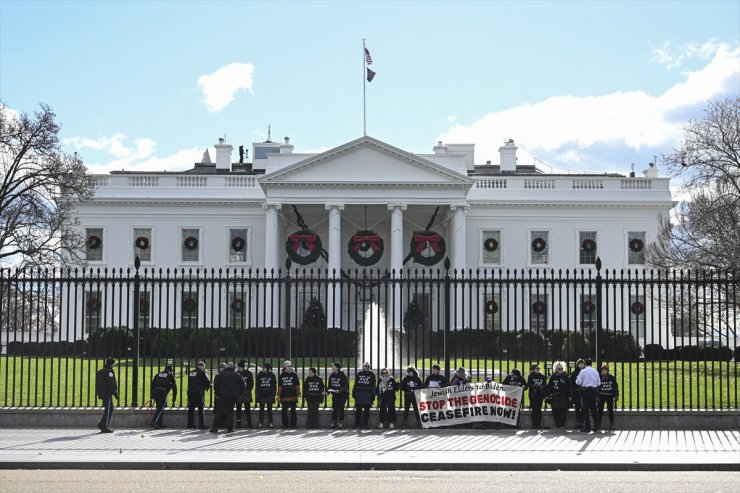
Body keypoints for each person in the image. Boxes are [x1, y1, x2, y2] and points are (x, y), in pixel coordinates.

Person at [210, 362, 245, 433]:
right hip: (233, 396)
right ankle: (229, 428)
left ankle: (215, 428)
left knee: (219, 411)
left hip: (222, 395)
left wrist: (217, 393)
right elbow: (243, 386)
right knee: (230, 412)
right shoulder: (237, 375)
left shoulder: (220, 375)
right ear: (233, 368)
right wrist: (238, 394)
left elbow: (216, 386)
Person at [575, 357, 601, 432]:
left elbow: (578, 382)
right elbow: (599, 383)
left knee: (585, 410)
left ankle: (587, 427)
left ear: (585, 364)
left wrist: (577, 380)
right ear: (591, 364)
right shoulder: (595, 371)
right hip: (593, 391)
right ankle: (596, 425)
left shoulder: (583, 371)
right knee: (593, 409)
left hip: (585, 392)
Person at [150, 364, 177, 429]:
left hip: (155, 391)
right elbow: (174, 389)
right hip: (162, 392)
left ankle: (159, 424)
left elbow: (152, 384)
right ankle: (154, 421)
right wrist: (173, 400)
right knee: (161, 408)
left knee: (160, 407)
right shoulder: (171, 376)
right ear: (171, 370)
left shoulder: (158, 374)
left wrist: (152, 394)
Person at [95, 357, 118, 433]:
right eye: (114, 363)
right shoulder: (109, 372)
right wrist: (115, 393)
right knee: (109, 410)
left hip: (102, 393)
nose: (114, 365)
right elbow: (110, 384)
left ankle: (102, 424)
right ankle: (104, 426)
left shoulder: (101, 371)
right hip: (107, 393)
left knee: (109, 409)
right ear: (112, 364)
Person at [546, 361, 571, 429]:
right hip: (555, 396)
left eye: (561, 369)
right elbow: (549, 386)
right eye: (559, 369)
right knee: (555, 411)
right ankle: (557, 424)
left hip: (563, 396)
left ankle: (562, 424)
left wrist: (570, 396)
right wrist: (548, 394)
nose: (560, 370)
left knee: (563, 411)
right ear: (555, 369)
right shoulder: (552, 377)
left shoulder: (566, 377)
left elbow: (569, 387)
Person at [186, 361, 211, 429]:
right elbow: (207, 382)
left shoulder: (191, 372)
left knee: (191, 409)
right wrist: (206, 388)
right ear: (202, 367)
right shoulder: (202, 372)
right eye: (204, 367)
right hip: (198, 393)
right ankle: (202, 425)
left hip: (190, 392)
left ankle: (190, 424)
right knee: (201, 409)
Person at [352, 362, 376, 428]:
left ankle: (365, 424)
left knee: (367, 410)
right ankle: (357, 424)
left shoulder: (372, 374)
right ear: (363, 366)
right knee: (358, 410)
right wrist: (354, 392)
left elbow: (373, 385)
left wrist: (373, 394)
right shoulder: (359, 374)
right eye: (366, 366)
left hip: (368, 393)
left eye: (368, 366)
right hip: (359, 393)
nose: (367, 367)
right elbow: (356, 383)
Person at [277, 360, 300, 428]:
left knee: (293, 411)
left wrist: (298, 393)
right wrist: (278, 395)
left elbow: (297, 385)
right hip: (284, 396)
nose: (290, 367)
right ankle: (285, 425)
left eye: (290, 366)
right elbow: (280, 387)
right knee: (284, 411)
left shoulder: (294, 375)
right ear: (284, 367)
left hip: (293, 395)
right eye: (288, 366)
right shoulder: (281, 376)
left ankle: (293, 424)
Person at [325, 362, 349, 428]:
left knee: (341, 408)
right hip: (335, 395)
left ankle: (340, 422)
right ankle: (333, 422)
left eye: (333, 366)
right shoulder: (332, 375)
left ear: (337, 368)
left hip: (342, 395)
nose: (332, 368)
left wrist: (339, 390)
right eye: (332, 366)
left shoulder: (342, 375)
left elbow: (346, 386)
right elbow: (329, 385)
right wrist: (327, 392)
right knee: (334, 408)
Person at [596, 364, 619, 430]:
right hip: (601, 396)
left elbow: (615, 387)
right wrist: (596, 395)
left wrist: (616, 395)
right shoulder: (599, 377)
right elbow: (597, 387)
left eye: (605, 369)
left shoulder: (612, 377)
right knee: (599, 411)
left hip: (609, 396)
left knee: (610, 411)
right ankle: (598, 424)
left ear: (607, 370)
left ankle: (611, 424)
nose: (604, 370)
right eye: (603, 369)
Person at [255, 362, 277, 427]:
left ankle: (270, 423)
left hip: (269, 394)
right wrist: (257, 394)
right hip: (261, 394)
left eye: (264, 367)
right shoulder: (259, 375)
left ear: (267, 368)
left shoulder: (272, 375)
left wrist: (273, 394)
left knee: (269, 410)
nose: (262, 368)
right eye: (262, 367)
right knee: (261, 410)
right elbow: (257, 386)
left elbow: (274, 386)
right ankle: (260, 422)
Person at [527, 364, 547, 429]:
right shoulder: (531, 376)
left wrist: (542, 389)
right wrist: (535, 387)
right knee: (534, 410)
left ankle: (538, 424)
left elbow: (544, 385)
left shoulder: (542, 376)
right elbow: (529, 384)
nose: (538, 370)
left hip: (540, 395)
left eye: (538, 369)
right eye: (536, 369)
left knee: (539, 409)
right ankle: (534, 424)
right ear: (533, 369)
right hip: (533, 395)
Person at [235, 359, 254, 429]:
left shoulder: (248, 373)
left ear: (242, 367)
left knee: (247, 409)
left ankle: (249, 423)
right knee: (238, 409)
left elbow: (251, 383)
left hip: (246, 393)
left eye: (239, 367)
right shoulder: (236, 373)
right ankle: (238, 423)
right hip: (239, 393)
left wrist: (248, 390)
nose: (238, 368)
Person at [570, 358, 586, 430]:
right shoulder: (574, 373)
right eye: (580, 363)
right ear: (577, 365)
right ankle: (578, 422)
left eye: (582, 363)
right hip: (576, 392)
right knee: (577, 408)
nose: (581, 365)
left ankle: (583, 422)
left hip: (583, 392)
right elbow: (571, 383)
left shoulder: (586, 372)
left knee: (583, 408)